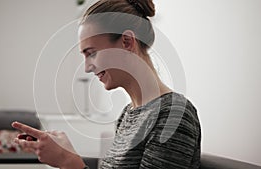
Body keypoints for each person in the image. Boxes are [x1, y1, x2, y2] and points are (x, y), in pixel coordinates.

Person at [12, 0, 201, 168]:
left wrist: (68, 161)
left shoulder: (174, 115)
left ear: (127, 42)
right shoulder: (127, 115)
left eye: (91, 53)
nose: (87, 68)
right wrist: (66, 152)